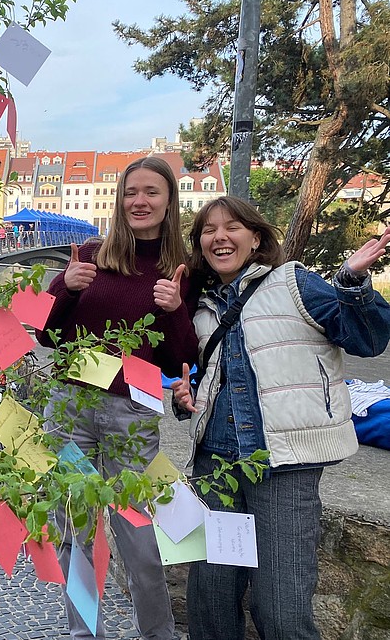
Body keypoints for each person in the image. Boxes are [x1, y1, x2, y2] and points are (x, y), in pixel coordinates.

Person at [171, 196, 390, 640]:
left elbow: (366, 338)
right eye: (208, 230)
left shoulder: (293, 283)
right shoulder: (200, 307)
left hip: (284, 465)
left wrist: (352, 281)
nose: (219, 237)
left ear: (255, 237)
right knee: (210, 600)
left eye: (231, 226)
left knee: (281, 608)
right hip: (216, 465)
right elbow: (213, 381)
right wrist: (186, 396)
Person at [36, 156, 197, 640]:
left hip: (132, 412)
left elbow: (180, 360)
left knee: (138, 539)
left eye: (151, 192)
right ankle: (83, 634)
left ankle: (158, 634)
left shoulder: (178, 270)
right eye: (131, 192)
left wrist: (172, 312)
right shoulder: (89, 253)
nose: (139, 201)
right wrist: (65, 288)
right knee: (73, 531)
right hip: (70, 405)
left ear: (169, 203)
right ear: (119, 199)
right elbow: (46, 335)